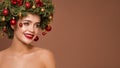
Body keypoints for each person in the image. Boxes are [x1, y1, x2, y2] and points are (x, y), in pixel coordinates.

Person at [0, 0, 55, 68]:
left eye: (37, 25)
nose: (32, 30)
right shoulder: (1, 58)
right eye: (26, 23)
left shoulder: (45, 56)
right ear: (13, 24)